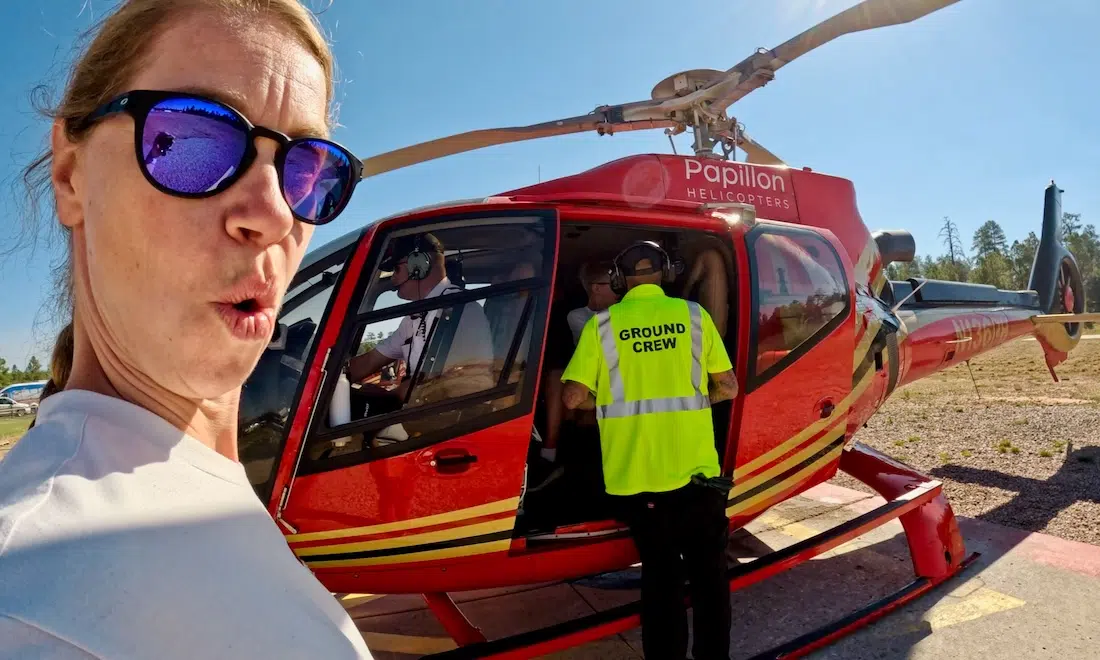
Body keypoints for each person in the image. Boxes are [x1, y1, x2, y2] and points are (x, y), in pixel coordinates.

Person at [0, 1, 372, 658]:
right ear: (71, 176)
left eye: (308, 169)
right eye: (196, 140)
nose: (274, 215)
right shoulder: (31, 603)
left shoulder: (195, 487)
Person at [561, 241, 739, 660]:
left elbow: (571, 397)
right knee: (710, 579)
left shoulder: (601, 326)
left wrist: (605, 404)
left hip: (638, 480)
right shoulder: (694, 316)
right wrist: (696, 400)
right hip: (698, 476)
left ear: (619, 280)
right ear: (668, 273)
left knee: (661, 579)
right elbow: (728, 387)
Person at [345, 232, 494, 420]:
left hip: (454, 419)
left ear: (418, 266)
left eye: (396, 269)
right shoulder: (415, 316)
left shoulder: (462, 311)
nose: (393, 278)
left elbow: (448, 383)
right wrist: (331, 375)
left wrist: (389, 393)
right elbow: (371, 360)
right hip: (426, 414)